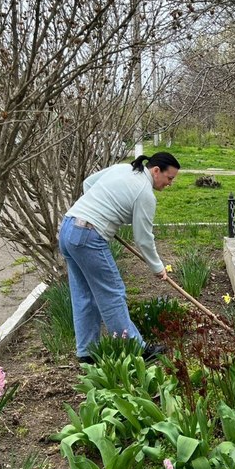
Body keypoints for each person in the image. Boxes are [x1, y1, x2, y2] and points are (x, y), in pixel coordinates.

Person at [58, 152, 180, 363]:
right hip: (87, 237)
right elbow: (143, 239)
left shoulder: (123, 168)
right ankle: (136, 349)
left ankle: (87, 353)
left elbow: (88, 184)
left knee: (84, 294)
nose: (170, 184)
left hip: (69, 227)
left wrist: (101, 214)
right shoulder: (145, 194)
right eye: (169, 178)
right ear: (156, 170)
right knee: (113, 293)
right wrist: (158, 267)